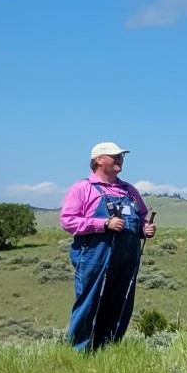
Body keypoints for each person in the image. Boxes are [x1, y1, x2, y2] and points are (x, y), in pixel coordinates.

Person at [60, 142, 157, 351]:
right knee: (89, 303)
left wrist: (145, 229)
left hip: (127, 257)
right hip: (94, 256)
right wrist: (102, 224)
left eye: (121, 156)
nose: (120, 159)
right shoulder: (82, 188)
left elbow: (141, 217)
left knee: (120, 303)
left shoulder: (129, 190)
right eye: (115, 156)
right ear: (98, 160)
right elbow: (68, 221)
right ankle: (78, 351)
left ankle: (108, 349)